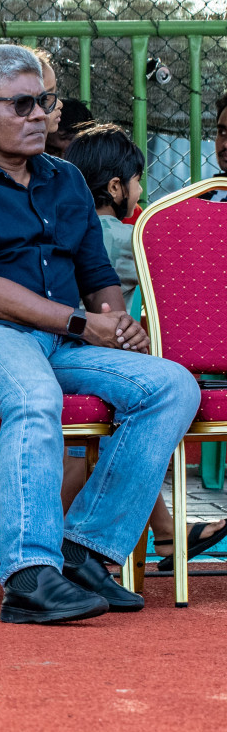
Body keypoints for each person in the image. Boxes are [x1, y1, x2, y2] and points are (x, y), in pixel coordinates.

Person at [0, 44, 199, 624]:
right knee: (33, 395)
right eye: (21, 105)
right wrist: (81, 323)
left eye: (44, 101)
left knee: (171, 385)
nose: (39, 115)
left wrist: (116, 322)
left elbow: (97, 275)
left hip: (57, 343)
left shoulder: (67, 179)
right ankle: (28, 576)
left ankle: (85, 550)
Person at [62, 122, 227, 568]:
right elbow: (179, 271)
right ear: (116, 187)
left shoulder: (66, 227)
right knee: (89, 452)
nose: (140, 191)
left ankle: (168, 533)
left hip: (78, 354)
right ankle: (67, 548)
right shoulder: (123, 236)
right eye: (137, 182)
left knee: (102, 447)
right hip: (102, 358)